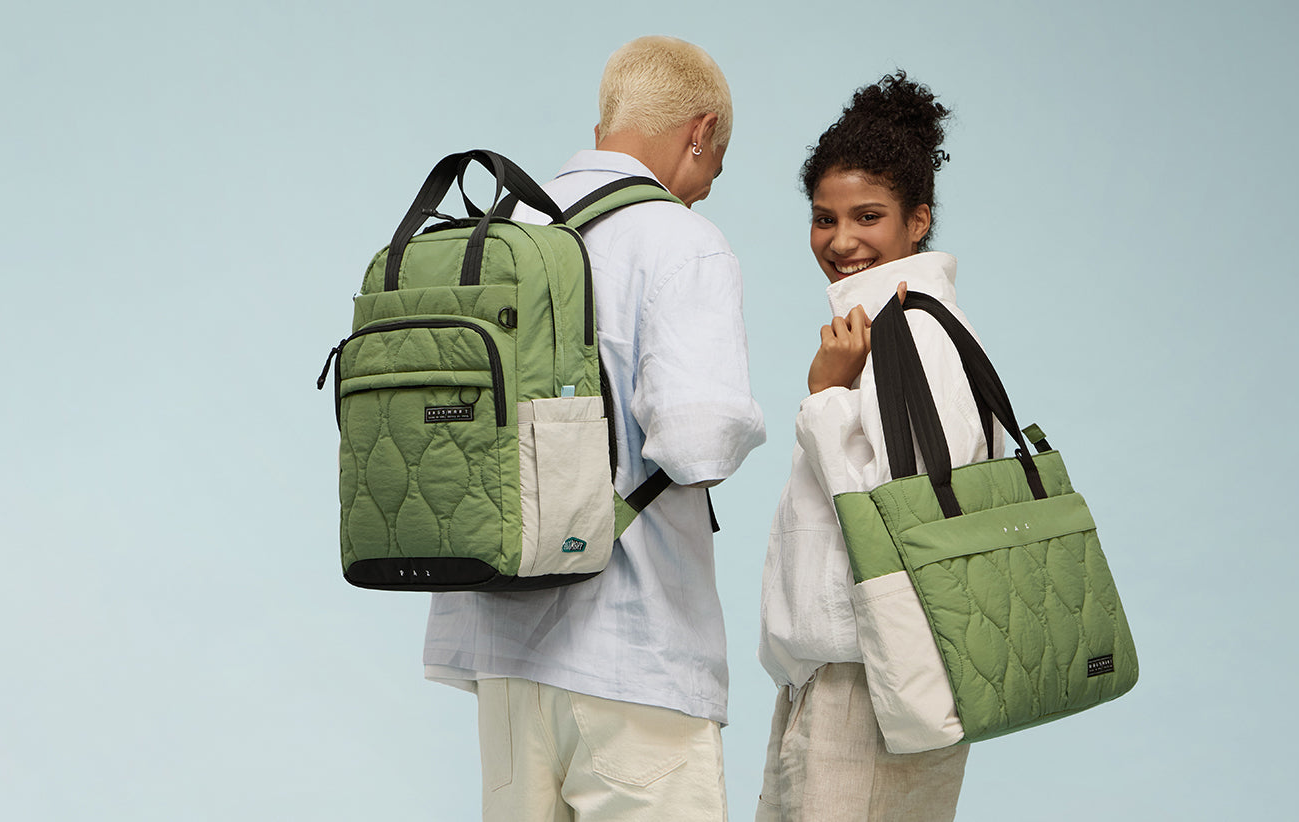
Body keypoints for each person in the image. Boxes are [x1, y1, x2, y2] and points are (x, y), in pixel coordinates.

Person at [421, 35, 765, 822]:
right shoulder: (680, 240)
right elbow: (699, 444)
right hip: (634, 655)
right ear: (702, 131)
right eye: (716, 164)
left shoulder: (498, 228)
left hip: (503, 653)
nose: (708, 186)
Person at [754, 72, 988, 821]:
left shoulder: (910, 332)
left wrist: (825, 395)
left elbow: (904, 510)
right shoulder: (883, 328)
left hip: (876, 682)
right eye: (824, 219)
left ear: (918, 222)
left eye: (868, 216)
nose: (841, 241)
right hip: (842, 675)